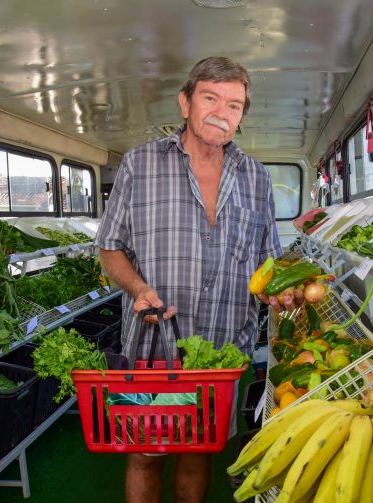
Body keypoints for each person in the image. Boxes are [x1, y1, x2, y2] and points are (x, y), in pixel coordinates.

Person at [95, 56, 288, 503]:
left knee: (199, 451)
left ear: (242, 115)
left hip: (222, 347)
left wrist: (285, 292)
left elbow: (269, 260)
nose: (223, 111)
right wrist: (140, 289)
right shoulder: (139, 166)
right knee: (145, 452)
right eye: (210, 98)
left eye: (235, 105)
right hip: (151, 341)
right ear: (185, 102)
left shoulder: (256, 178)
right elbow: (110, 247)